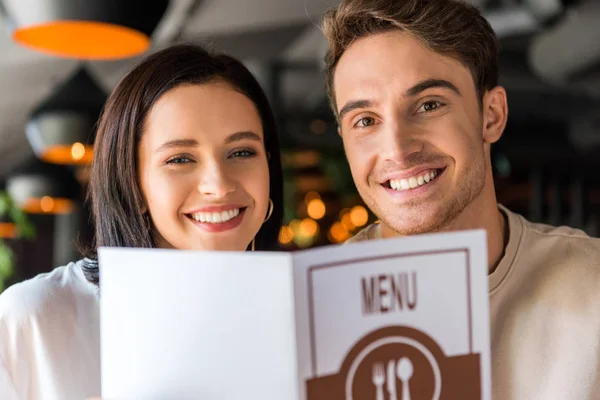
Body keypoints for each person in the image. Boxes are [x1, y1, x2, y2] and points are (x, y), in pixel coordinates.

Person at [322, 0, 600, 398]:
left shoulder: (593, 286)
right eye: (365, 120)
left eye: (428, 105)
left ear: (491, 115)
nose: (397, 150)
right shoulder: (312, 319)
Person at [0, 44, 283, 400]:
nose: (219, 185)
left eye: (241, 152)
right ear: (131, 182)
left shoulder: (297, 317)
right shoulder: (35, 322)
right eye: (180, 159)